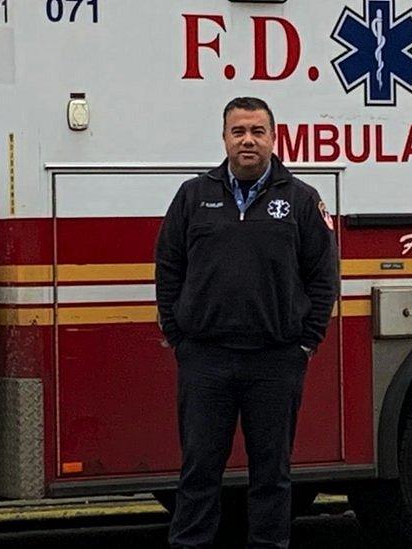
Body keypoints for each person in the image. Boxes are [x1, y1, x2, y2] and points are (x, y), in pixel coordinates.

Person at [155, 96, 339, 548]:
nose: (248, 140)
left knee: (271, 475)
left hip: (275, 361)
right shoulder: (193, 197)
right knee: (198, 473)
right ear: (224, 139)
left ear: (274, 139)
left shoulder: (300, 200)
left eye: (257, 131)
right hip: (206, 360)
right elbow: (168, 267)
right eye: (238, 132)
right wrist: (179, 337)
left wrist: (304, 344)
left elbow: (323, 277)